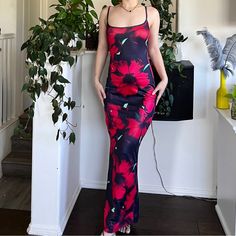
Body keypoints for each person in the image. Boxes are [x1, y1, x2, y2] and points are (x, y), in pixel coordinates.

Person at [94, 0, 168, 235]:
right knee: (123, 155)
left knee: (125, 150)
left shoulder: (151, 13)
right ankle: (125, 216)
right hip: (115, 94)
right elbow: (103, 48)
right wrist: (95, 78)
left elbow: (153, 49)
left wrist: (164, 78)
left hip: (143, 95)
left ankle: (110, 225)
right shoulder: (106, 13)